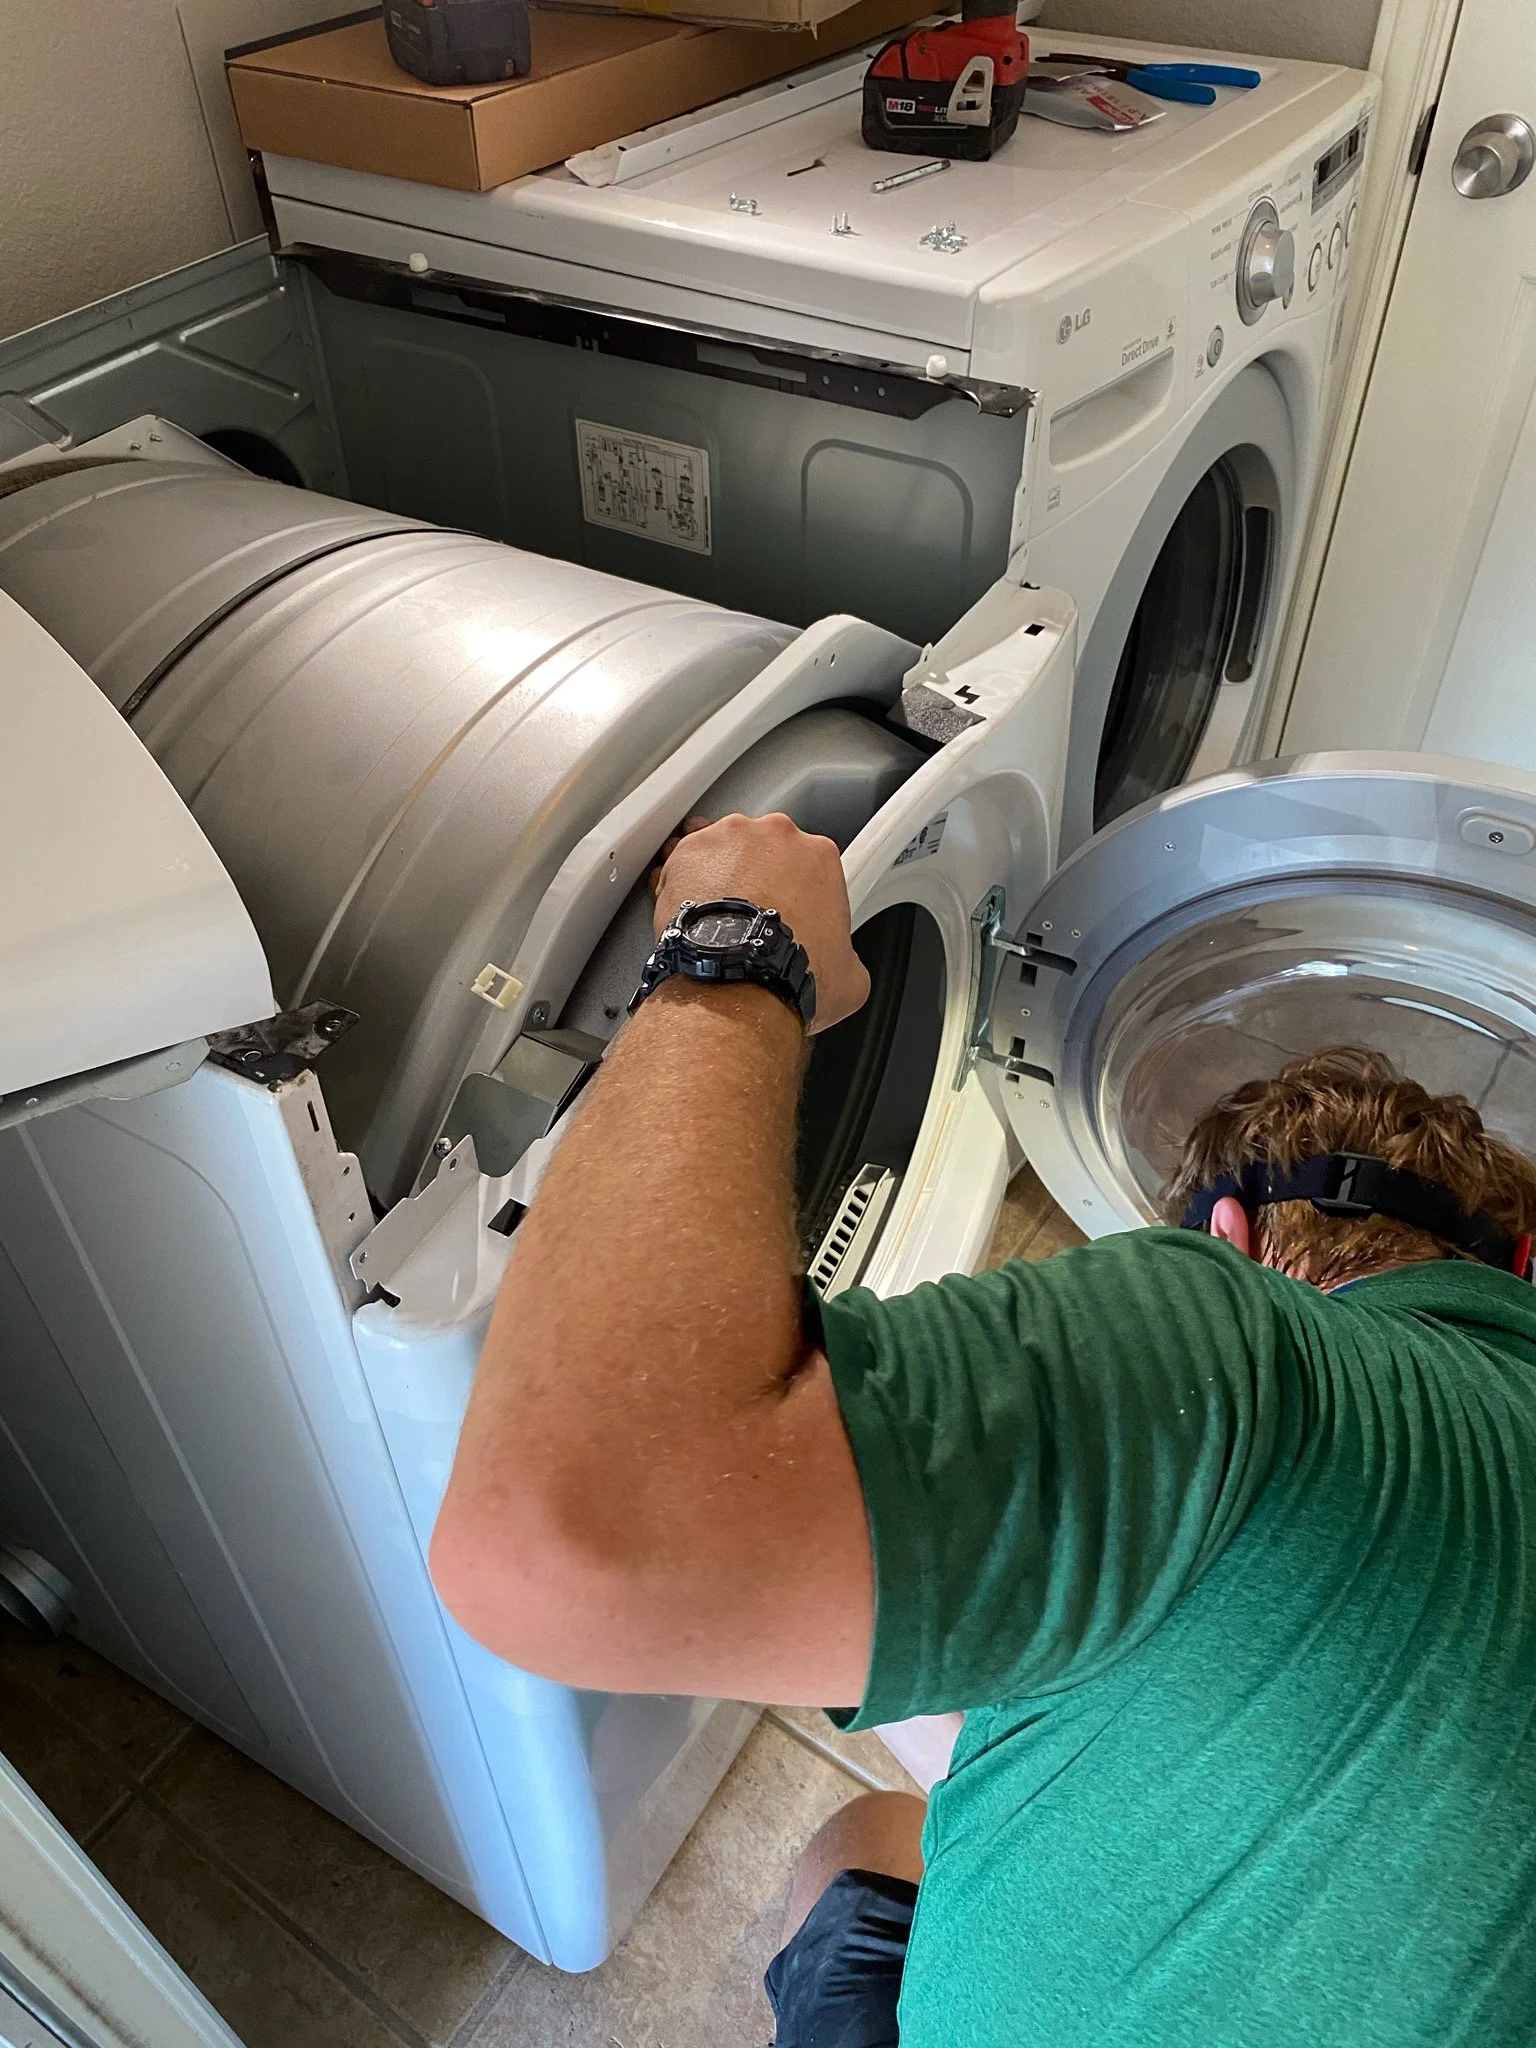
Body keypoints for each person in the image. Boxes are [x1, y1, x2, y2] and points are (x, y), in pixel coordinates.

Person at [430, 811, 1536, 2047]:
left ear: (1229, 1240)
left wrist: (733, 943)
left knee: (853, 1852)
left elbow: (555, 1532)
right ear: (1519, 1266)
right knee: (898, 1822)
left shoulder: (1251, 1349)